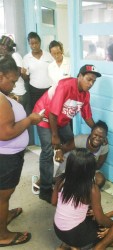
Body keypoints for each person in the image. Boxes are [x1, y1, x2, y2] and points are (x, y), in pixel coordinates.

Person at [33, 64, 101, 203]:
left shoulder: (85, 95)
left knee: (72, 146)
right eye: (88, 79)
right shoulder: (65, 87)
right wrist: (55, 137)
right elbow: (52, 114)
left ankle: (66, 177)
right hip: (45, 117)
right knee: (48, 151)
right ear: (80, 76)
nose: (91, 83)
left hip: (61, 121)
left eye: (93, 81)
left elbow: (87, 116)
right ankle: (45, 189)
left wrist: (98, 132)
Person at [52, 148, 113, 250]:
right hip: (75, 234)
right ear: (89, 171)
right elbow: (101, 219)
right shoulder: (92, 189)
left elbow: (54, 202)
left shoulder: (60, 180)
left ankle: (67, 245)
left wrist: (71, 210)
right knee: (104, 231)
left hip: (58, 230)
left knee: (92, 219)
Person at [0, 55, 43, 247]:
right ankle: (2, 235)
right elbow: (6, 133)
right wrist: (30, 120)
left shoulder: (3, 96)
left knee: (3, 194)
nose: (13, 85)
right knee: (3, 195)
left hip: (7, 155)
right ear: (0, 75)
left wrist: (11, 100)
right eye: (11, 81)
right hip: (6, 156)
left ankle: (5, 214)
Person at [55, 120, 108, 188]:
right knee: (60, 183)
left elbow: (99, 165)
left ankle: (81, 189)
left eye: (101, 137)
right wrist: (59, 152)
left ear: (105, 138)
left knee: (100, 180)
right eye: (95, 135)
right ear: (91, 132)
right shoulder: (80, 139)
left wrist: (84, 172)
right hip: (72, 167)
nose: (97, 138)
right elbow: (64, 149)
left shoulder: (104, 146)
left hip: (88, 169)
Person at [23, 32, 53, 110]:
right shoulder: (26, 58)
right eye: (31, 44)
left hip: (49, 89)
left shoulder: (48, 55)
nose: (34, 46)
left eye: (36, 43)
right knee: (37, 111)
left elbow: (54, 69)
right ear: (29, 44)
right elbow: (25, 78)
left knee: (49, 110)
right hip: (34, 90)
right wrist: (23, 73)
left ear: (40, 42)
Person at [0, 35, 28, 112]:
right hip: (12, 92)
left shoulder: (15, 55)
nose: (0, 48)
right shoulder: (6, 57)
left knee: (18, 117)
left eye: (2, 46)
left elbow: (18, 73)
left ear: (6, 47)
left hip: (18, 93)